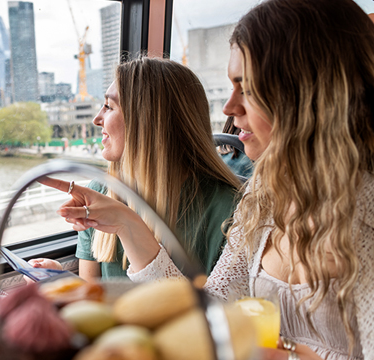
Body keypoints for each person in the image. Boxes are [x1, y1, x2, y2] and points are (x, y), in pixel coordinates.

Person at [41, 0, 374, 358]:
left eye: (246, 88)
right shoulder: (266, 193)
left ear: (309, 96)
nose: (229, 108)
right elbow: (209, 309)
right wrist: (127, 223)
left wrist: (284, 352)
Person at [31, 57, 240, 280]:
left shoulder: (230, 211)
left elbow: (214, 310)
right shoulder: (100, 192)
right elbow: (93, 299)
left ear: (146, 121)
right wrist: (61, 281)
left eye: (109, 107)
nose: (96, 119)